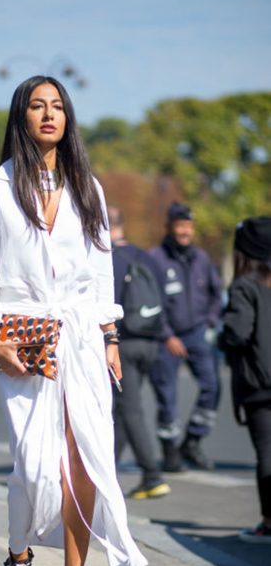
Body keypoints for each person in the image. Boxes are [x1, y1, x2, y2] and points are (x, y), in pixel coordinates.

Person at [0, 76, 147, 566]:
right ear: (20, 117)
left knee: (84, 461)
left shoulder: (86, 188)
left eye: (58, 106)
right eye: (37, 106)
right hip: (22, 340)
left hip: (82, 338)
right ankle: (19, 556)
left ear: (68, 119)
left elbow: (101, 273)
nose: (49, 114)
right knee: (36, 466)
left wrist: (110, 338)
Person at [149, 202, 222, 472]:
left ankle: (193, 440)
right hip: (167, 339)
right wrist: (167, 335)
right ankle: (170, 452)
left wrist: (210, 323)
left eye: (188, 227)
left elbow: (216, 294)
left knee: (212, 387)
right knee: (167, 397)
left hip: (197, 334)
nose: (184, 232)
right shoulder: (155, 259)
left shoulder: (201, 259)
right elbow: (149, 302)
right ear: (169, 227)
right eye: (180, 226)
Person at [109, 207, 171, 499]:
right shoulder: (145, 257)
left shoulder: (107, 259)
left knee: (129, 409)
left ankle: (152, 475)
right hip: (150, 342)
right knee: (122, 409)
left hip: (123, 343)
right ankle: (106, 470)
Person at [219, 217, 271, 543]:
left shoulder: (245, 286)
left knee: (267, 451)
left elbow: (237, 333)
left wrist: (221, 338)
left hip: (259, 383)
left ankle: (268, 521)